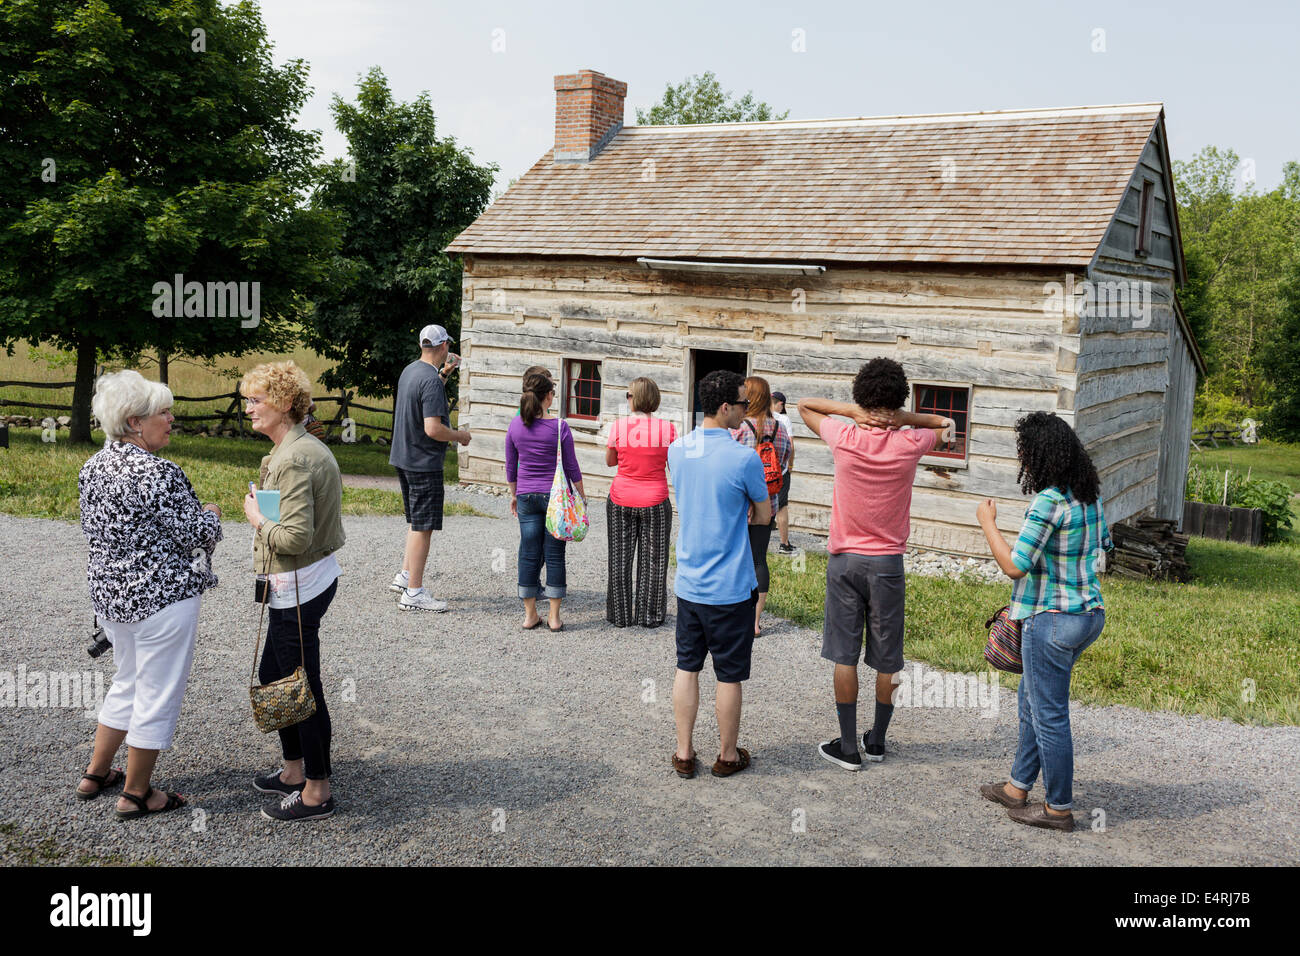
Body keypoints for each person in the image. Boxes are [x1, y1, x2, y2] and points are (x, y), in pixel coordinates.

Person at [76, 369, 222, 819]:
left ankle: (96, 772)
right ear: (135, 422)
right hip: (162, 599)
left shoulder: (92, 466)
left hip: (113, 600)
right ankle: (138, 793)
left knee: (127, 680)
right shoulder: (160, 472)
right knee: (157, 691)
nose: (171, 419)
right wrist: (212, 515)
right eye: (164, 412)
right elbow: (194, 535)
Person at [798, 358, 953, 771]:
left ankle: (848, 747)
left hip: (845, 561)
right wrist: (903, 418)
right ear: (899, 396)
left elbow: (804, 406)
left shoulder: (843, 434)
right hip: (887, 563)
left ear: (861, 395)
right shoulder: (911, 442)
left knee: (844, 657)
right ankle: (878, 741)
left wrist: (853, 412)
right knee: (888, 659)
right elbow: (945, 426)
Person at [977, 411, 1110, 832]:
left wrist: (988, 525)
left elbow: (1015, 566)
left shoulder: (1048, 501)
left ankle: (1058, 809)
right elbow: (1104, 545)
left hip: (1052, 621)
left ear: (1038, 454)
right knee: (1030, 699)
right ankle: (1017, 787)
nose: (1022, 458)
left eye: (1024, 450)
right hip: (1088, 614)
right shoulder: (1088, 495)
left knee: (1049, 713)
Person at [241, 361, 346, 822]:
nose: (249, 409)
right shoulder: (292, 449)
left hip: (298, 587)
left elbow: (294, 539)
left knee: (302, 689)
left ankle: (317, 791)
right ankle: (293, 770)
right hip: (298, 584)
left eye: (257, 400)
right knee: (275, 678)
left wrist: (257, 518)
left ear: (283, 404)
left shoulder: (295, 458)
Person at [667, 370, 771, 779]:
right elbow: (763, 515)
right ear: (726, 407)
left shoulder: (678, 449)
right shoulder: (744, 457)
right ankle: (727, 755)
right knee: (729, 675)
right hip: (730, 586)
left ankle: (683, 751)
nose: (746, 412)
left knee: (686, 667)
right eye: (743, 404)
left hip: (690, 582)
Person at [388, 325, 471, 611]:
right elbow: (433, 428)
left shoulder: (411, 370)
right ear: (444, 346)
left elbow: (424, 396)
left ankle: (405, 576)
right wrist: (459, 435)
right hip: (423, 461)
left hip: (403, 456)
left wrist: (445, 373)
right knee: (423, 527)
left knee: (415, 522)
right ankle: (414, 593)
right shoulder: (430, 381)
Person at [506, 372, 585, 632]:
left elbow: (511, 465)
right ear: (548, 396)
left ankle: (530, 615)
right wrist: (581, 496)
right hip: (555, 498)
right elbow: (572, 466)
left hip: (527, 496)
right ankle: (553, 617)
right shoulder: (560, 427)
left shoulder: (516, 425)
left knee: (528, 552)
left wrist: (513, 494)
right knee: (554, 554)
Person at [605, 377, 677, 627]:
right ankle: (650, 615)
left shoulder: (619, 426)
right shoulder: (668, 429)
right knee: (655, 561)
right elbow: (671, 464)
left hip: (621, 497)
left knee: (620, 559)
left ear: (633, 399)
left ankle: (620, 615)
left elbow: (610, 461)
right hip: (655, 499)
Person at [730, 376, 791, 637]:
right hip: (767, 503)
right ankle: (754, 622)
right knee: (758, 560)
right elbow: (786, 458)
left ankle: (734, 614)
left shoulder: (740, 428)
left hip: (738, 504)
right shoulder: (780, 428)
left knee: (734, 558)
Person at [771, 391, 797, 554]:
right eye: (783, 404)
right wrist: (791, 465)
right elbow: (791, 445)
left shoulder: (761, 417)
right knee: (782, 505)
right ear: (779, 403)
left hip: (765, 468)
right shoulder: (783, 419)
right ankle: (784, 543)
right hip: (781, 468)